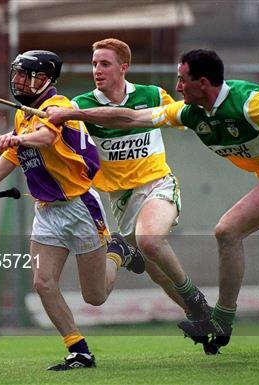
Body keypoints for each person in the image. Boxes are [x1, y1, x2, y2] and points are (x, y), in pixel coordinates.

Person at [47, 48, 259, 354]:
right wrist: (70, 113)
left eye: (182, 80)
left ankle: (222, 321)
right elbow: (131, 117)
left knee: (228, 231)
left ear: (202, 83)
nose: (176, 88)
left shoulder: (251, 104)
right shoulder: (190, 112)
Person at [0, 50, 145, 370]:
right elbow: (12, 156)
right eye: (18, 74)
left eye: (28, 75)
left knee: (95, 296)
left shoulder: (59, 107)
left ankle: (118, 251)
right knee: (43, 282)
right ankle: (78, 350)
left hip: (80, 208)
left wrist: (17, 140)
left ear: (47, 79)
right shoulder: (22, 114)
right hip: (47, 212)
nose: (20, 81)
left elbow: (47, 137)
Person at [70, 38, 211, 324]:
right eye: (95, 64)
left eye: (105, 64)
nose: (97, 69)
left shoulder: (152, 95)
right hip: (122, 200)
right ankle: (199, 317)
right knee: (157, 271)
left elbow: (185, 117)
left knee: (149, 240)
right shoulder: (81, 105)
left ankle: (195, 297)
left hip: (158, 184)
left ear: (124, 68)